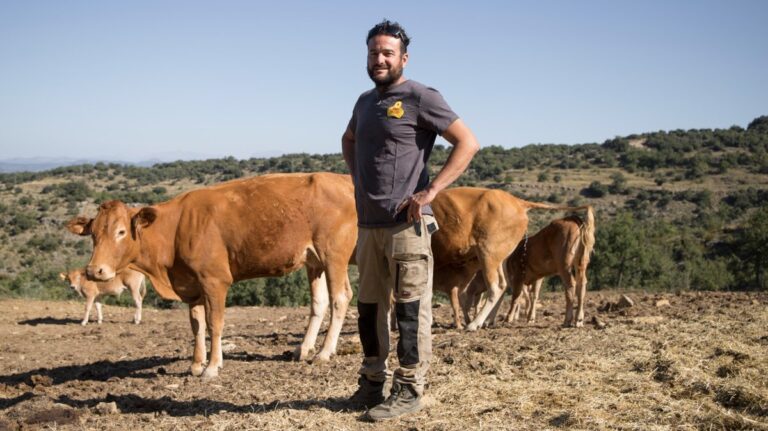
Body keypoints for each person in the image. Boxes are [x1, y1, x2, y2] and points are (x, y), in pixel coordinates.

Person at [341, 19, 480, 421]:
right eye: (373, 53)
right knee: (368, 309)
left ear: (403, 57)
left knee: (409, 309)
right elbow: (348, 140)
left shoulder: (421, 96)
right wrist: (358, 179)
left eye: (387, 53)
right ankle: (371, 384)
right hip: (368, 226)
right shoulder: (364, 102)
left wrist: (430, 192)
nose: (379, 59)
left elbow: (467, 142)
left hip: (407, 226)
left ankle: (409, 389)